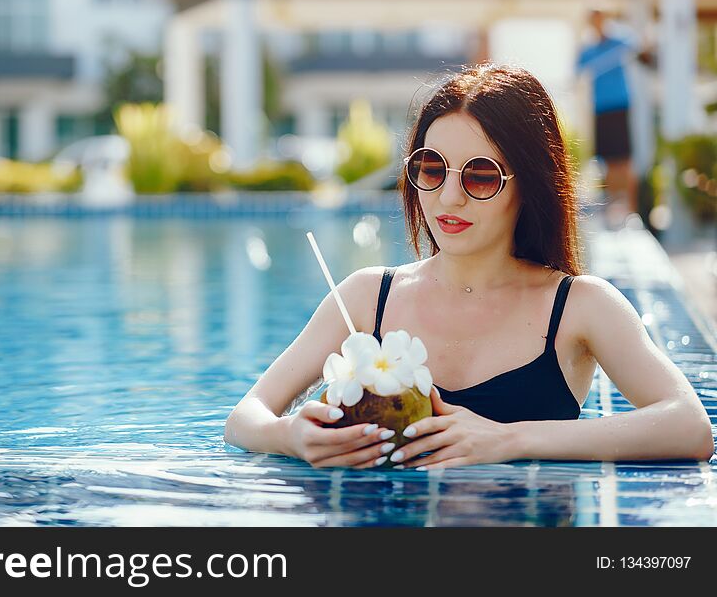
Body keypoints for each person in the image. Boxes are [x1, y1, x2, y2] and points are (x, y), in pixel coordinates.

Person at [224, 64, 713, 470]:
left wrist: (509, 440)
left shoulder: (578, 306)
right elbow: (245, 417)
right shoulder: (366, 297)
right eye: (432, 169)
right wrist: (290, 435)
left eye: (480, 174)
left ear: (531, 184)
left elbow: (689, 426)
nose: (448, 197)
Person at [575, 0, 648, 224]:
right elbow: (578, 70)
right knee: (606, 160)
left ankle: (631, 211)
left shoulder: (621, 39)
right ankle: (612, 210)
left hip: (620, 105)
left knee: (624, 159)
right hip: (601, 107)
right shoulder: (587, 49)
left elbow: (638, 45)